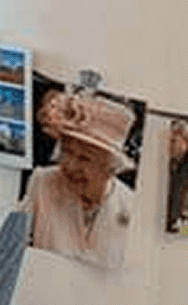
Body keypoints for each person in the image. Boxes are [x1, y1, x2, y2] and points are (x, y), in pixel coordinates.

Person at [23, 89, 139, 270]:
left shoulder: (132, 207)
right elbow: (9, 248)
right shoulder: (42, 183)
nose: (69, 165)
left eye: (84, 158)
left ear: (111, 167)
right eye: (67, 151)